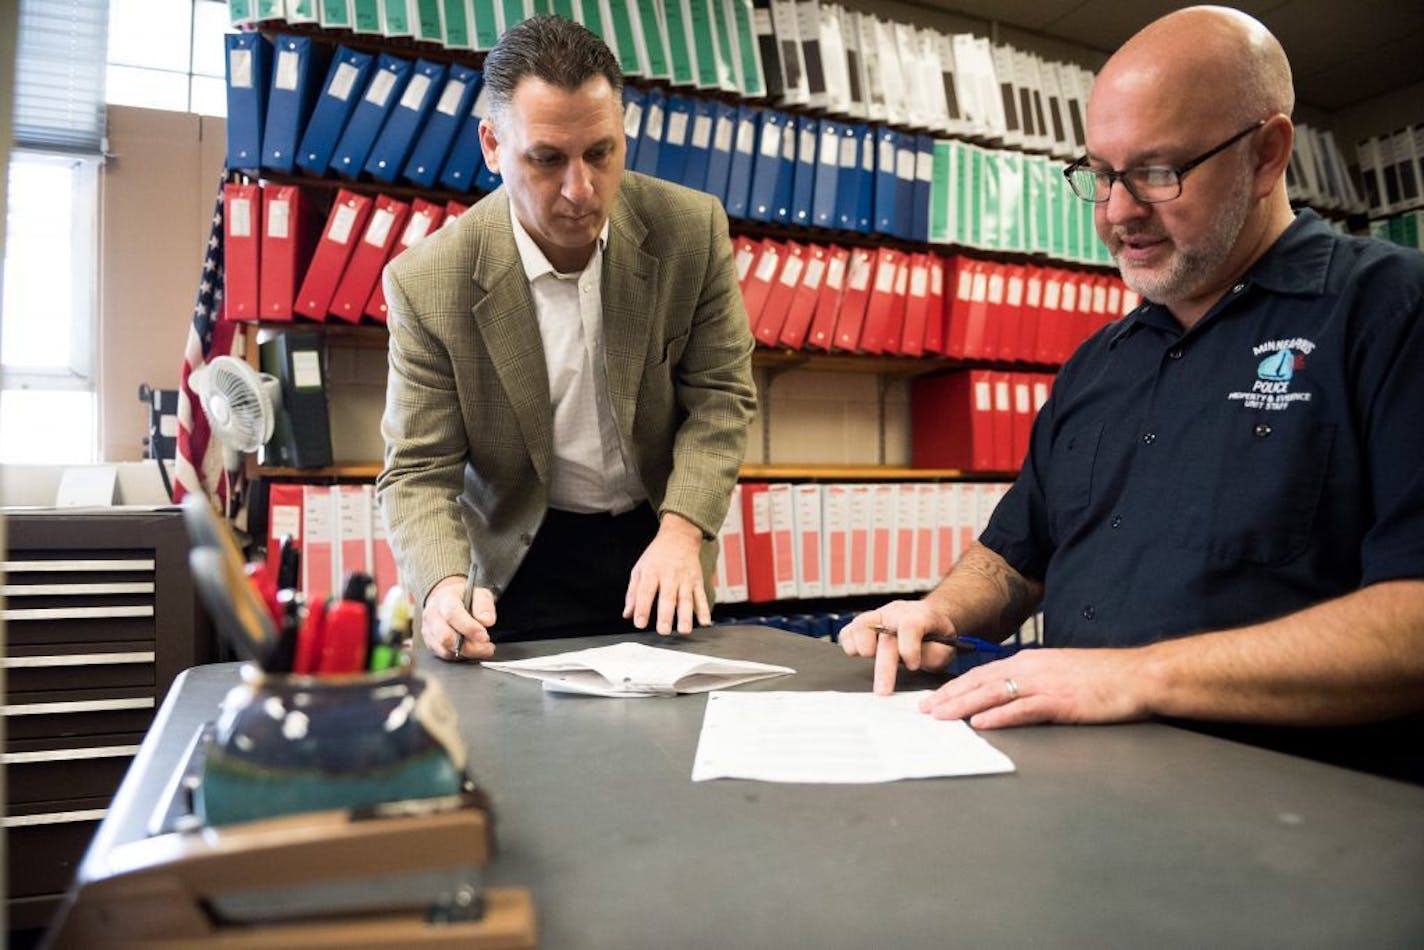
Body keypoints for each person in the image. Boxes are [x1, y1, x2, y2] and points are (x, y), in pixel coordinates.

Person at [841, 6, 1424, 765]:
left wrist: (1136, 677)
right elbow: (1017, 553)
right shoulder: (1099, 361)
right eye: (1102, 174)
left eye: (1157, 172)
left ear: (1267, 155)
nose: (1118, 213)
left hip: (1299, 818)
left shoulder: (1392, 313)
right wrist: (938, 611)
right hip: (1084, 790)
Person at [377, 16, 755, 662]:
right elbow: (417, 470)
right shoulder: (427, 283)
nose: (581, 190)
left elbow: (721, 399)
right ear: (493, 146)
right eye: (547, 159)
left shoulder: (691, 232)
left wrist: (684, 529)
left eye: (601, 153)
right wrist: (440, 586)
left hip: (657, 538)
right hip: (522, 553)